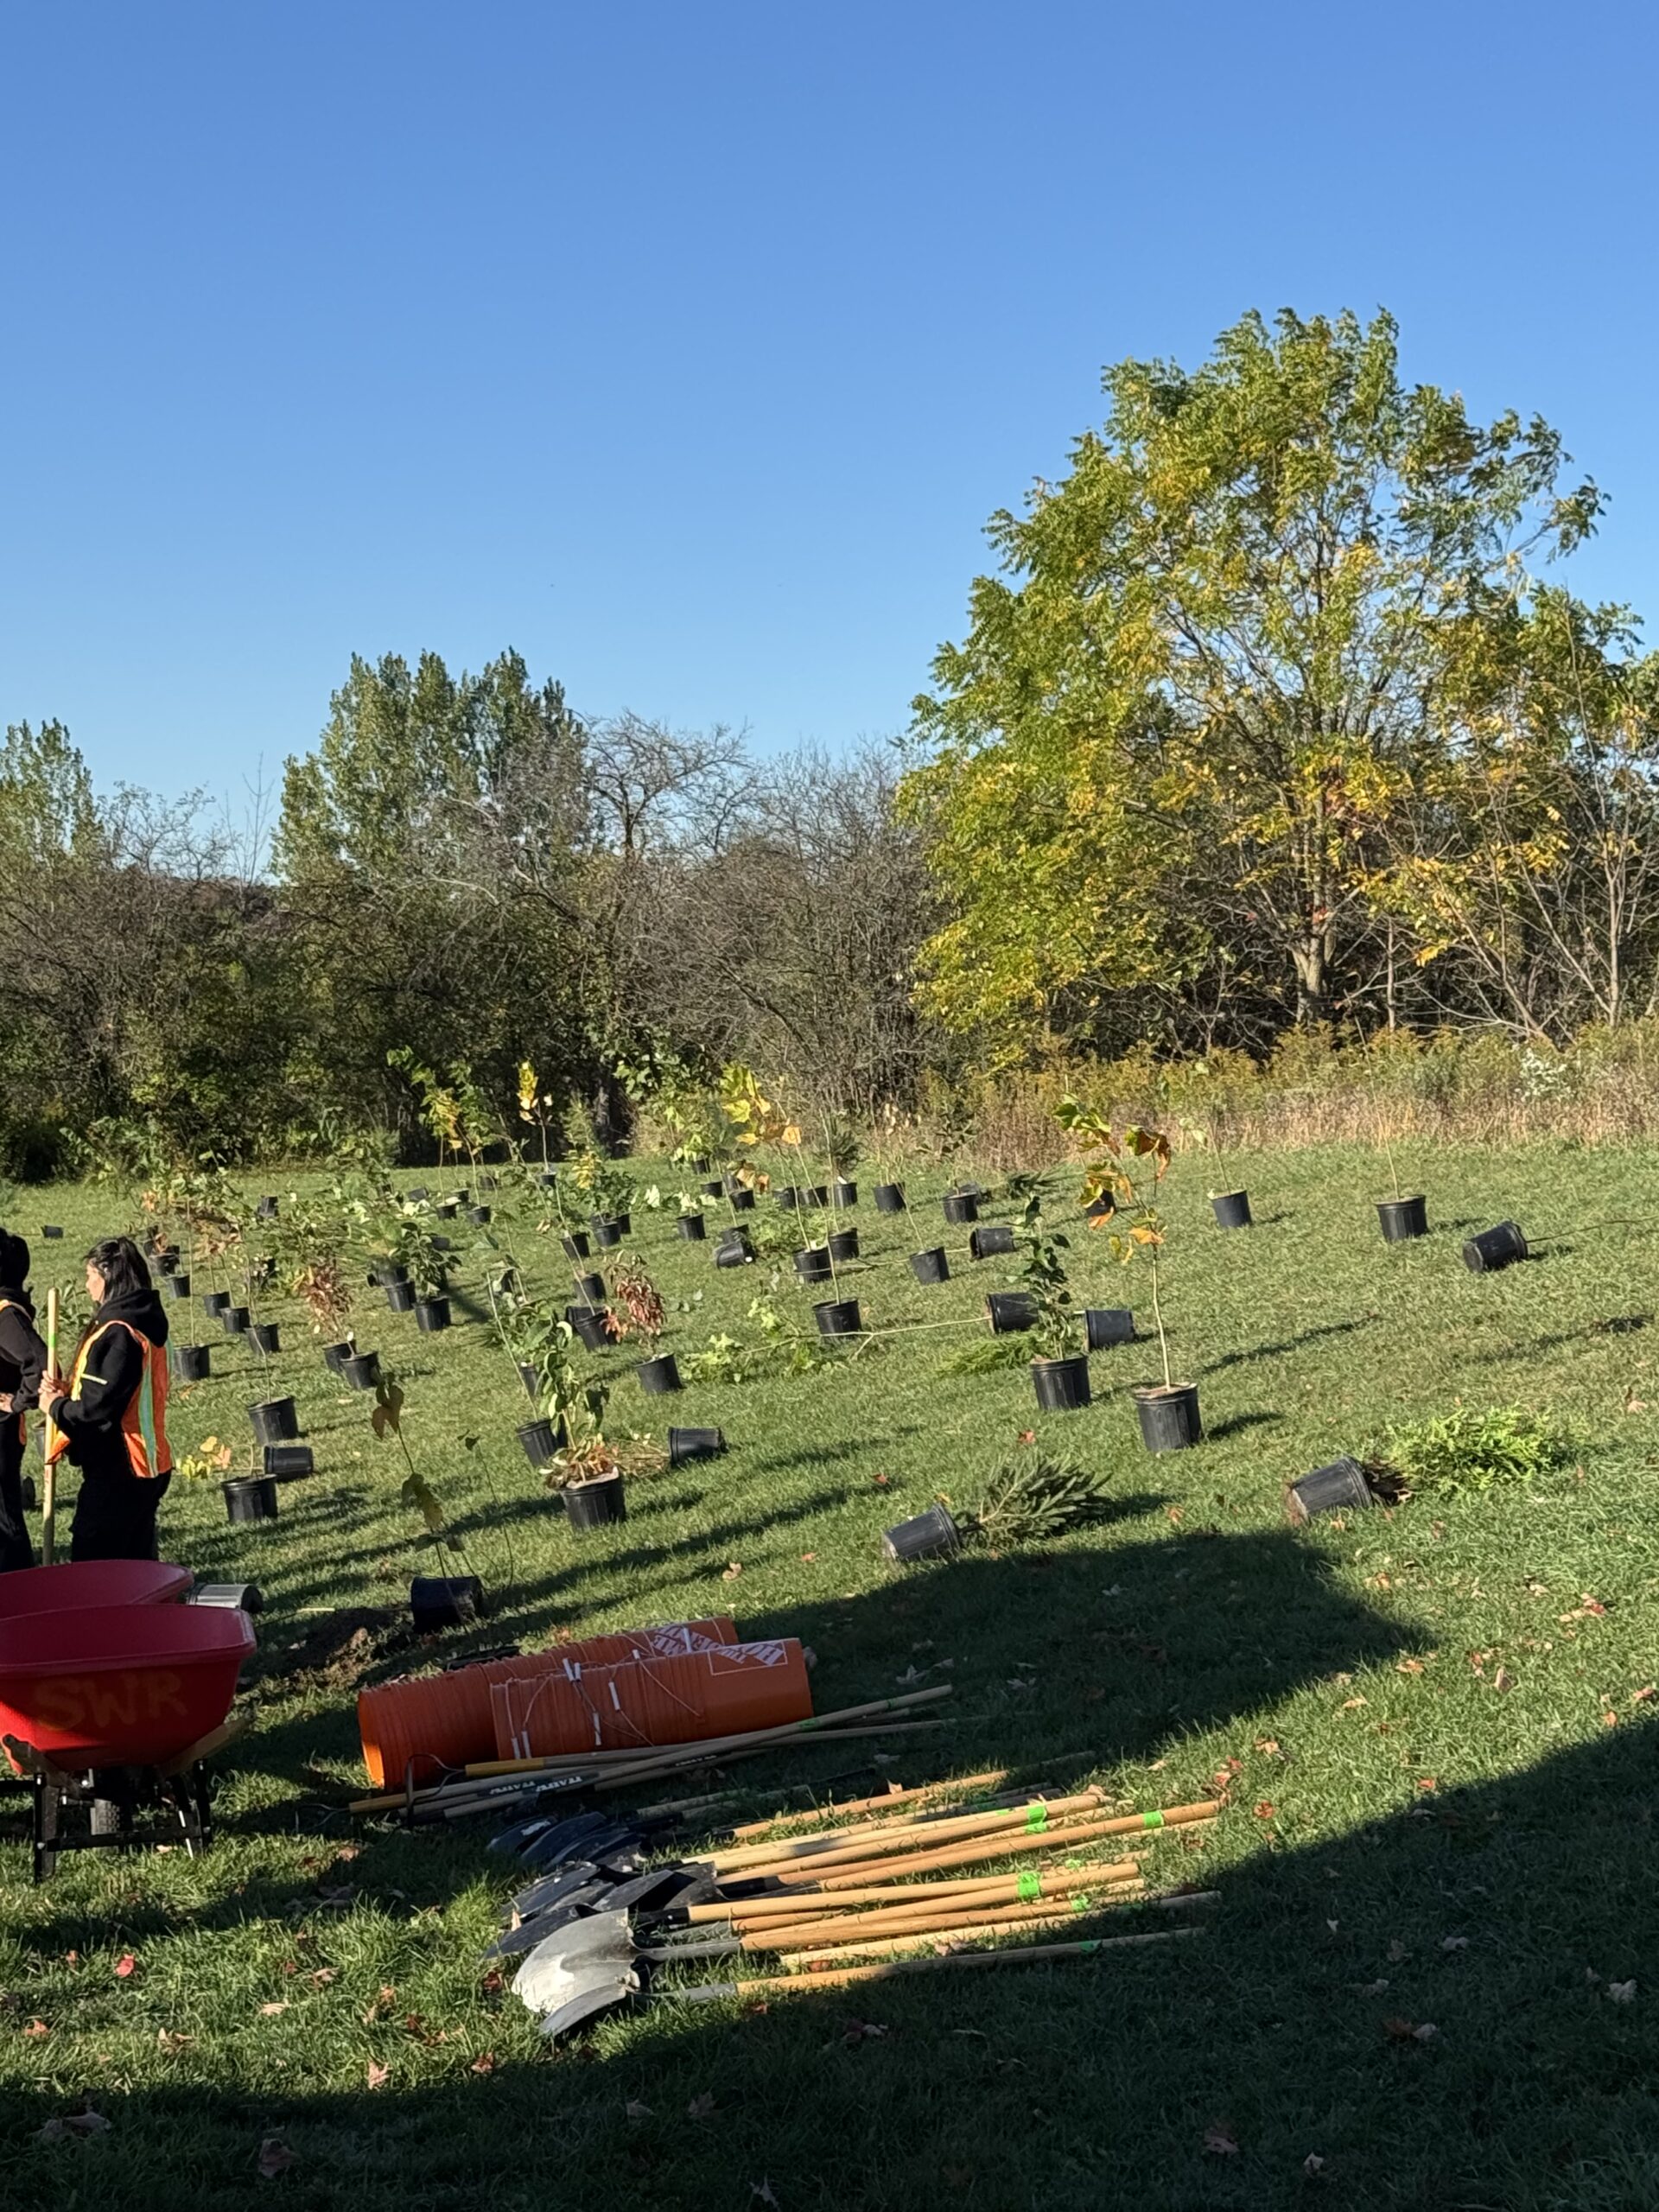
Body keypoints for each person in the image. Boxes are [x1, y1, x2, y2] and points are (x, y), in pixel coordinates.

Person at [44, 1236, 174, 1562]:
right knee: (137, 1565)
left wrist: (54, 1406)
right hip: (148, 1463)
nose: (87, 1285)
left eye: (90, 1275)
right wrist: (68, 1391)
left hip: (120, 1469)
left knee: (97, 1566)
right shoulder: (147, 1322)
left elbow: (96, 1411)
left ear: (108, 1275)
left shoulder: (119, 1333)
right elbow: (115, 1390)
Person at [0, 1230, 47, 1571]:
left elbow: (42, 1363)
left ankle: (20, 1589)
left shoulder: (6, 1315)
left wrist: (17, 1402)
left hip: (1, 1430)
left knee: (5, 1519)